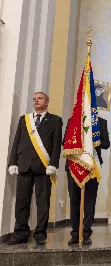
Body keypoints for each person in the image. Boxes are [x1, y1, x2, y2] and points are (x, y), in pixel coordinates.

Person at [7, 92, 63, 245]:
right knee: (22, 202)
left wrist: (53, 164)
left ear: (47, 101)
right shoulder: (24, 119)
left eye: (40, 98)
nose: (36, 100)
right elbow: (16, 141)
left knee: (42, 202)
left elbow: (57, 145)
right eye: (34, 99)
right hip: (24, 165)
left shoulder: (55, 120)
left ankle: (40, 234)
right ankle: (20, 233)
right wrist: (13, 162)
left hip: (43, 167)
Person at [65, 116, 110, 245]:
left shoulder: (101, 121)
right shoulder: (72, 120)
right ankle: (75, 233)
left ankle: (86, 233)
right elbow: (65, 142)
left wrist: (94, 141)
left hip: (91, 166)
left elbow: (106, 144)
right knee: (74, 200)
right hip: (74, 165)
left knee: (89, 201)